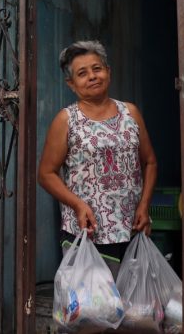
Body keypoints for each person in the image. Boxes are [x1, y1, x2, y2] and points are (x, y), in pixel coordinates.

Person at [38, 40, 158, 278]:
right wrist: (78, 205)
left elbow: (150, 162)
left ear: (108, 72)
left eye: (97, 69)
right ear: (71, 84)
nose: (92, 76)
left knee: (136, 310)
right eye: (82, 73)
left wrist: (144, 205)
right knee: (94, 310)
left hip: (132, 229)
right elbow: (46, 174)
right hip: (86, 231)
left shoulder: (130, 113)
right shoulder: (66, 120)